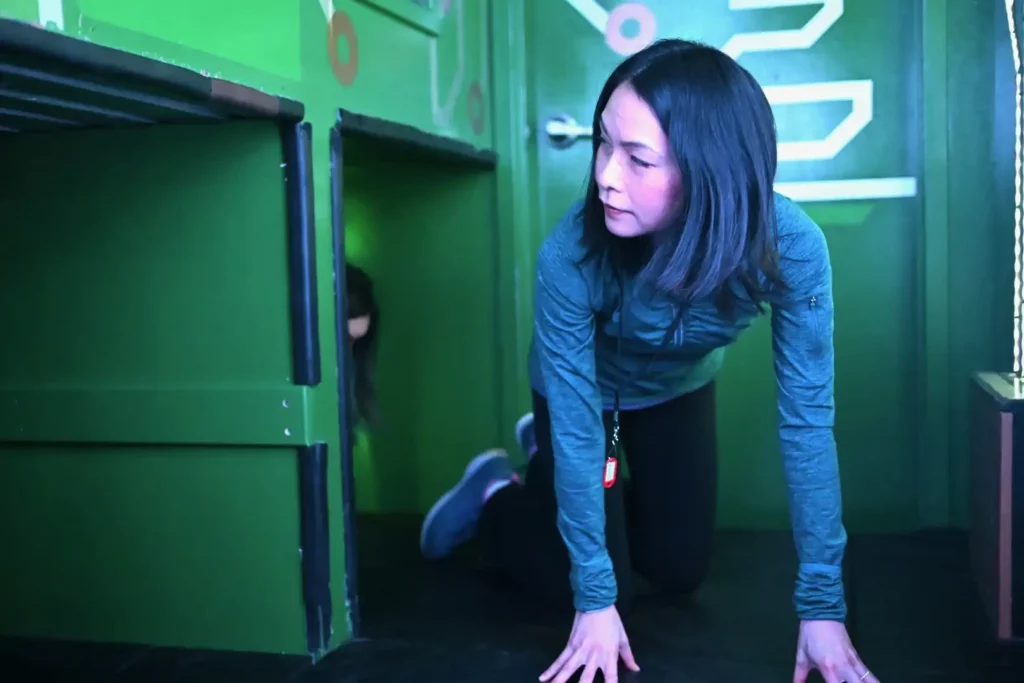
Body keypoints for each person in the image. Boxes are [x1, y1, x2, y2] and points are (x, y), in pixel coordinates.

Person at [419, 38, 877, 683]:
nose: (606, 174)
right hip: (583, 397)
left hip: (677, 389)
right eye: (604, 144)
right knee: (607, 593)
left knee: (678, 571)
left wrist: (824, 607)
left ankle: (559, 484)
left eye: (638, 159)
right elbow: (580, 434)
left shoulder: (790, 246)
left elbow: (806, 425)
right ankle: (500, 495)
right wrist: (594, 598)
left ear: (709, 171)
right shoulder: (570, 256)